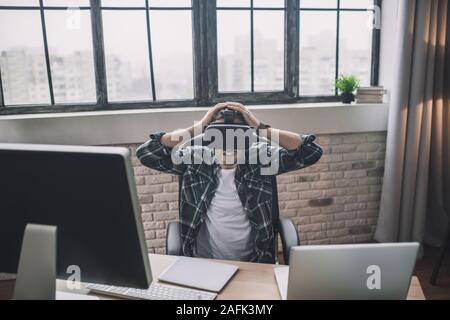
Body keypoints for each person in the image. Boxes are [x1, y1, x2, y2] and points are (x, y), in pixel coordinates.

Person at [137, 102, 322, 263]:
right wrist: (199, 127)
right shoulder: (195, 159)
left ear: (248, 139)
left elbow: (310, 151)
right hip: (203, 263)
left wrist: (261, 127)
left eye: (236, 138)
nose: (227, 147)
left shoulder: (261, 158)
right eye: (219, 136)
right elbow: (147, 153)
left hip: (254, 263)